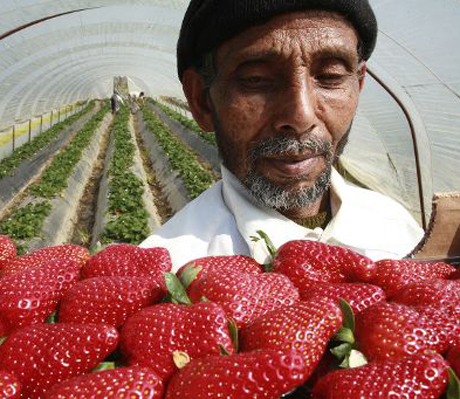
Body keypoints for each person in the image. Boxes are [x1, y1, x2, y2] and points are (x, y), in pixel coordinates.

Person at [140, 0, 425, 271]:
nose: (300, 117)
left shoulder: (400, 232)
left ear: (359, 84)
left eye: (330, 76)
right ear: (201, 99)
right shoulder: (171, 275)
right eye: (257, 79)